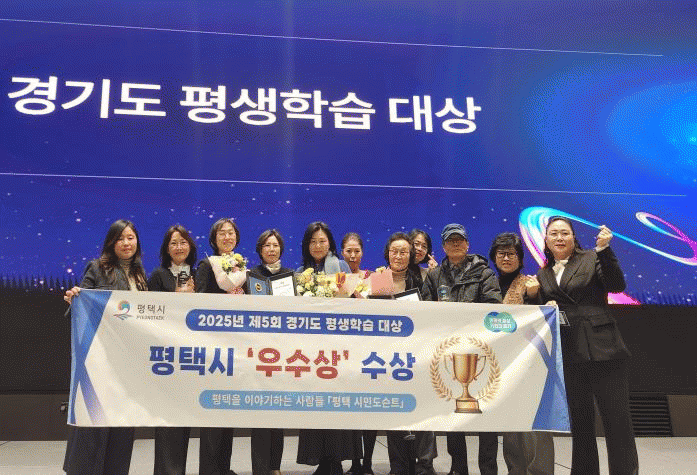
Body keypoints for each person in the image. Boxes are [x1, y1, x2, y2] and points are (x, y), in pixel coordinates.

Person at [532, 217, 638, 475]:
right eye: (554, 233)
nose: (559, 238)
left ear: (573, 237)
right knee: (580, 424)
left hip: (604, 350)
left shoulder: (592, 257)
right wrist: (544, 303)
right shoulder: (543, 274)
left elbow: (616, 285)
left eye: (564, 233)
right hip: (570, 353)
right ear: (546, 239)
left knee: (617, 422)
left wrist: (604, 249)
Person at [62, 219, 148, 475]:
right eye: (120, 238)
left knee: (122, 421)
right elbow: (82, 304)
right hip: (99, 360)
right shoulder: (98, 267)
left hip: (129, 361)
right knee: (93, 420)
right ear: (111, 242)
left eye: (131, 237)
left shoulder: (140, 274)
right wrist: (75, 297)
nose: (126, 243)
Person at [421, 223, 501, 475]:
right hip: (448, 351)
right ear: (443, 246)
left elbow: (493, 306)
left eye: (459, 240)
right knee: (452, 412)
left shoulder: (484, 273)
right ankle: (458, 468)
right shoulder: (434, 276)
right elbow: (424, 310)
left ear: (467, 244)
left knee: (486, 413)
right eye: (450, 240)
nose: (455, 244)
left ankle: (488, 469)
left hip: (480, 349)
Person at [296, 222, 361, 475]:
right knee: (315, 405)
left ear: (330, 244)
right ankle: (321, 460)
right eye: (313, 241)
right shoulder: (300, 272)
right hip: (310, 351)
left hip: (337, 348)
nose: (318, 245)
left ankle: (335, 461)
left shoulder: (341, 267)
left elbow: (350, 304)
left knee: (336, 403)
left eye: (322, 241)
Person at [489, 232, 555, 475]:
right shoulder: (488, 285)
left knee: (535, 421)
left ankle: (540, 472)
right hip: (502, 362)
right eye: (501, 254)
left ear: (520, 257)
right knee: (511, 421)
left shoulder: (532, 283)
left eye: (511, 254)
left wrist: (537, 297)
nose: (506, 258)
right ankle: (516, 470)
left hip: (531, 361)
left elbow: (546, 314)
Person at [376, 233, 436, 475]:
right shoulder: (379, 278)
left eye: (404, 252)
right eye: (394, 251)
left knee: (424, 408)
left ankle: (425, 464)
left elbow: (432, 311)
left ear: (411, 255)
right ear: (387, 253)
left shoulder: (424, 277)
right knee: (395, 409)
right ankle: (398, 466)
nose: (398, 256)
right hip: (389, 354)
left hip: (418, 351)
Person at [196, 218, 247, 475]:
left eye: (231, 233)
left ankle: (224, 467)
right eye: (222, 233)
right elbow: (200, 301)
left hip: (235, 345)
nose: (227, 237)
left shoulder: (242, 266)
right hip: (213, 345)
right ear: (214, 239)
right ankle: (209, 469)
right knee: (212, 410)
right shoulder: (207, 265)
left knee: (228, 408)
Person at [149, 225, 197, 475]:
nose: (179, 247)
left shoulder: (198, 274)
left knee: (184, 415)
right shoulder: (158, 275)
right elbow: (151, 314)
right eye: (173, 243)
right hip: (167, 355)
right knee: (167, 416)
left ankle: (179, 469)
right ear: (166, 249)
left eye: (183, 242)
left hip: (192, 356)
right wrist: (176, 298)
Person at [248, 229, 289, 475]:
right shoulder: (250, 276)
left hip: (284, 353)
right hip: (259, 352)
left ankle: (275, 467)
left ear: (281, 248)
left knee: (278, 414)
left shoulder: (290, 276)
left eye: (275, 245)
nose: (271, 249)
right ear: (260, 250)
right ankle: (260, 468)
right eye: (267, 245)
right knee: (260, 413)